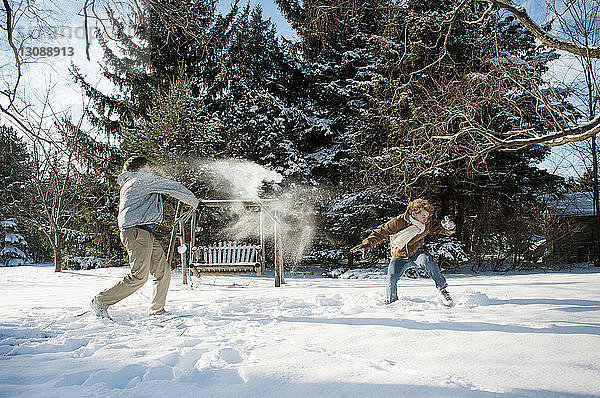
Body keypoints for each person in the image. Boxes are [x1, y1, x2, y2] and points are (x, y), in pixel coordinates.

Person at [90, 156, 199, 318]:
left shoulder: (132, 182)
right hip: (137, 232)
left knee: (162, 272)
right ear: (142, 168)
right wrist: (194, 202)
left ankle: (157, 310)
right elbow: (172, 187)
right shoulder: (141, 180)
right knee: (139, 276)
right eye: (148, 167)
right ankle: (100, 301)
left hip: (143, 232)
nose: (151, 170)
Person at [351, 198, 456, 306]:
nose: (426, 219)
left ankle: (443, 291)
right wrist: (368, 244)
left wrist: (449, 228)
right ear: (414, 213)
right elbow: (381, 232)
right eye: (423, 216)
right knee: (391, 278)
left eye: (427, 216)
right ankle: (391, 302)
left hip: (416, 253)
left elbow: (441, 229)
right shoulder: (399, 221)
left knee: (429, 262)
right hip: (399, 256)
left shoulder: (427, 224)